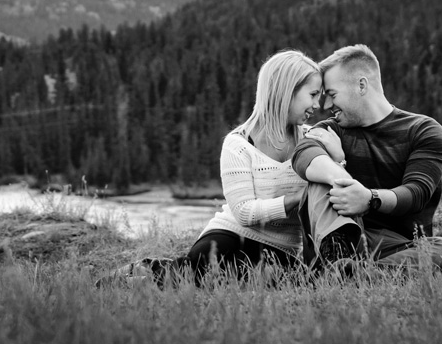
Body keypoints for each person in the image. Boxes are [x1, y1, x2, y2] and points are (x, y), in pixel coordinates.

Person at [136, 49, 355, 286]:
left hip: (281, 249)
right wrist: (294, 199)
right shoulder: (238, 143)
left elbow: (337, 196)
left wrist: (339, 159)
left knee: (289, 282)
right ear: (286, 91)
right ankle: (140, 275)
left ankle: (156, 273)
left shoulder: (311, 141)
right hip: (231, 236)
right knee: (207, 269)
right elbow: (243, 212)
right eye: (312, 94)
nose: (318, 104)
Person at [292, 44, 442, 272]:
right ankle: (338, 261)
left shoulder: (423, 130)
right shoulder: (332, 130)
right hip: (342, 237)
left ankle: (352, 275)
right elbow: (303, 155)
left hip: (399, 247)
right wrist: (340, 167)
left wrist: (369, 199)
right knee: (321, 175)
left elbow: (416, 192)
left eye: (332, 94)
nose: (326, 105)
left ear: (361, 85)